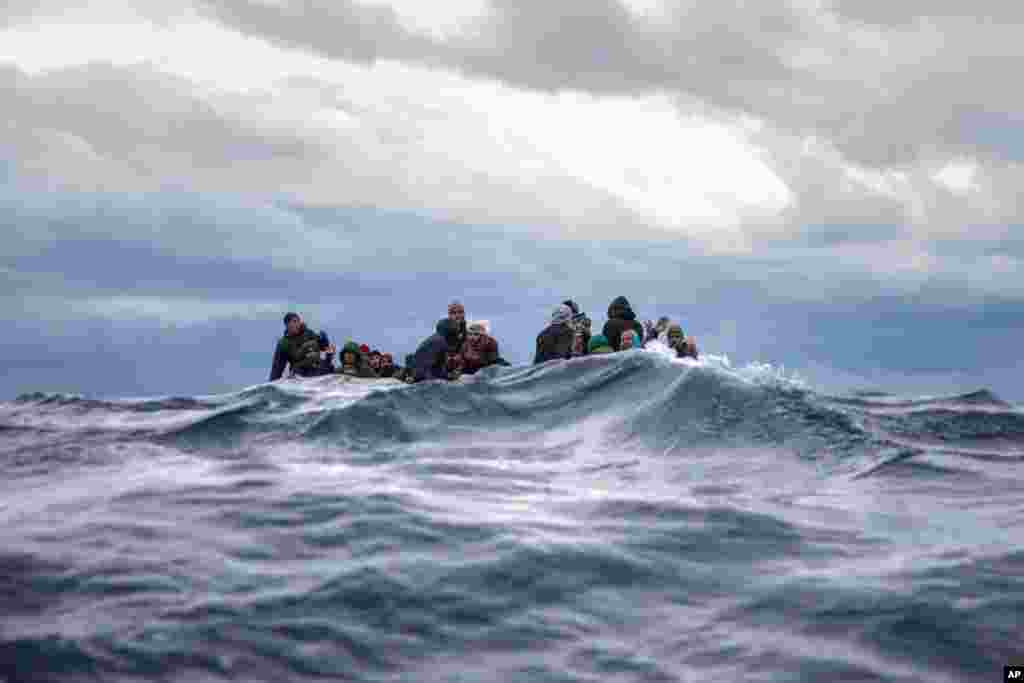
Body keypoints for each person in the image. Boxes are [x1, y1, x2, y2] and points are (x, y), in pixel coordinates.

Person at [269, 312, 336, 381]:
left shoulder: (309, 333)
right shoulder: (284, 343)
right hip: (300, 373)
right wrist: (272, 384)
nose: (295, 324)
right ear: (286, 325)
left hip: (318, 367)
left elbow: (324, 347)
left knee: (329, 367)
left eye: (297, 321)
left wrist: (324, 340)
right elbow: (277, 368)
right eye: (292, 322)